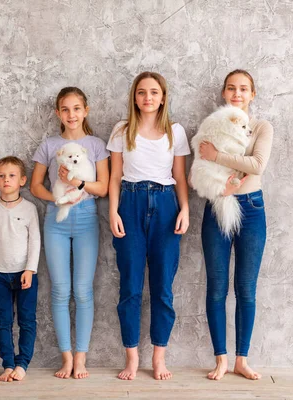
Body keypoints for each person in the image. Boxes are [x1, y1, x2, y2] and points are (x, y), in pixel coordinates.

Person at [107, 71, 190, 381]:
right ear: (135, 97)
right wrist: (113, 212)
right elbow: (115, 177)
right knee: (130, 286)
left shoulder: (175, 131)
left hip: (166, 206)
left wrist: (185, 210)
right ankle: (132, 358)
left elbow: (180, 177)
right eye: (142, 92)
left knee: (162, 287)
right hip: (130, 203)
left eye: (154, 92)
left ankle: (158, 357)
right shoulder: (122, 130)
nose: (148, 98)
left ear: (163, 97)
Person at [198, 69, 273, 380]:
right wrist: (217, 162)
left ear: (252, 94)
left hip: (252, 208)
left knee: (246, 289)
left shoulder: (261, 127)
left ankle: (242, 358)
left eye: (244, 89)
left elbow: (257, 165)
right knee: (216, 288)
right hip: (217, 205)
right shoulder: (213, 126)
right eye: (231, 88)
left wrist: (219, 155)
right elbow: (203, 162)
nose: (237, 94)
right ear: (224, 93)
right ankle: (221, 359)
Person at [30, 87, 109, 379]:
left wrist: (76, 184)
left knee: (83, 290)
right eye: (65, 109)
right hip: (56, 221)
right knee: (61, 290)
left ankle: (81, 358)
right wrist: (59, 198)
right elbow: (36, 186)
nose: (71, 115)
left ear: (85, 110)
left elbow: (103, 187)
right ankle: (66, 358)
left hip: (87, 217)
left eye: (76, 108)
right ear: (57, 113)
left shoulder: (97, 144)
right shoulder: (50, 145)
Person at [0, 156, 41, 382]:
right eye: (2, 176)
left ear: (22, 180)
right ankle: (7, 364)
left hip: (25, 274)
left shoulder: (30, 208)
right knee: (3, 321)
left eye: (12, 175)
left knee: (26, 320)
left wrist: (30, 270)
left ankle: (22, 363)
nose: (6, 180)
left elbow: (35, 241)